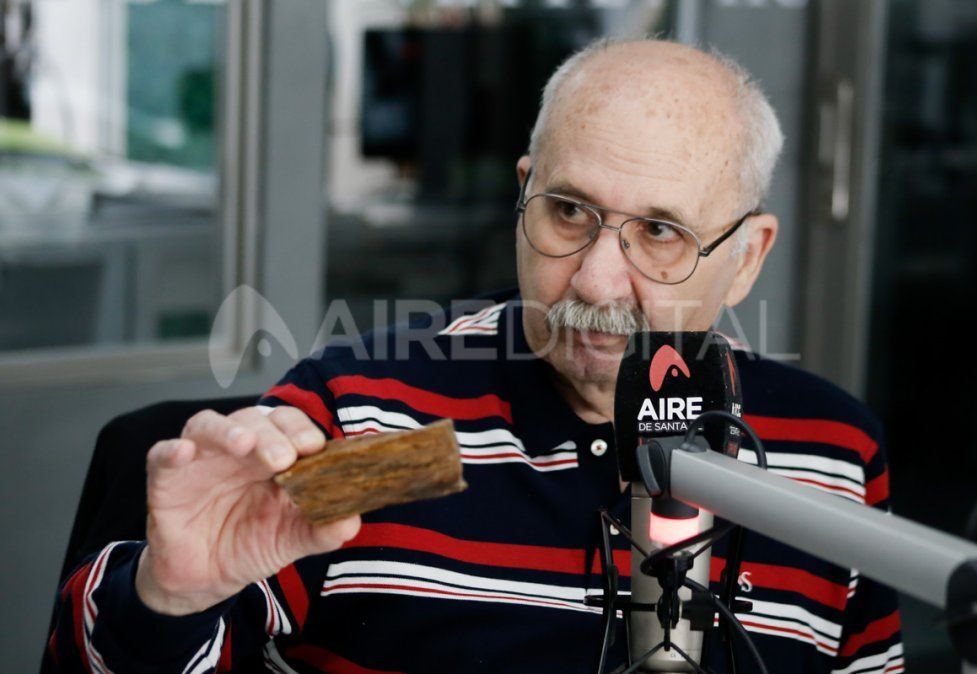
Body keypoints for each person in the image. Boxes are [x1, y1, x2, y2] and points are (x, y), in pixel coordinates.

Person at [44, 39, 903, 673]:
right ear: (524, 193)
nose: (596, 278)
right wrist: (165, 598)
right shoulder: (358, 416)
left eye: (659, 232)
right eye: (568, 211)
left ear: (747, 257)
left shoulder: (832, 455)